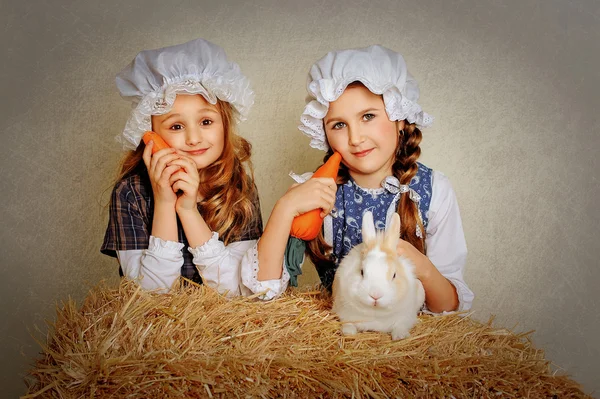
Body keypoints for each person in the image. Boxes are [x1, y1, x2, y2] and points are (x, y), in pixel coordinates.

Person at [100, 38, 313, 299]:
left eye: (206, 121)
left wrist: (188, 211)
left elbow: (235, 290)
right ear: (149, 133)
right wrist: (165, 203)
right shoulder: (130, 193)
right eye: (176, 126)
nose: (193, 138)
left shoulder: (238, 185)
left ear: (225, 124)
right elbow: (149, 297)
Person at [289, 45, 474, 313]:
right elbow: (266, 287)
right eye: (339, 125)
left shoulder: (434, 191)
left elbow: (449, 307)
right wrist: (287, 207)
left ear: (400, 117)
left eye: (368, 116)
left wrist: (421, 266)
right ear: (324, 132)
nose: (355, 138)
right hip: (342, 337)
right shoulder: (315, 190)